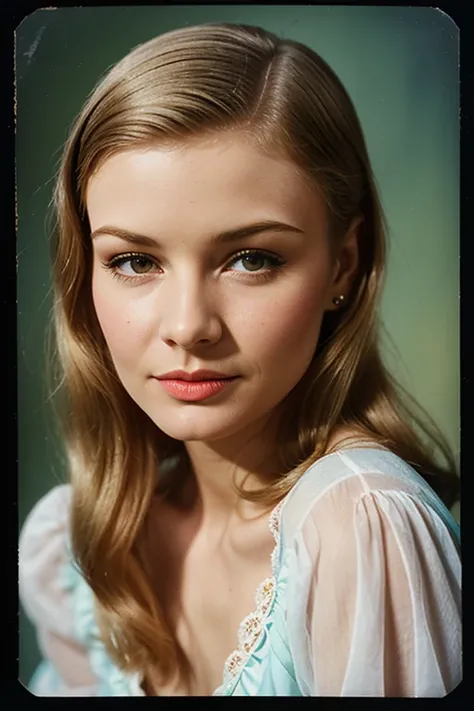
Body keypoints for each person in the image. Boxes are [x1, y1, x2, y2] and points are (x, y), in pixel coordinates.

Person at [18, 22, 461, 697]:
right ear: (86, 274)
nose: (189, 325)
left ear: (344, 263)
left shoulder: (360, 525)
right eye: (135, 260)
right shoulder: (82, 546)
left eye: (252, 258)